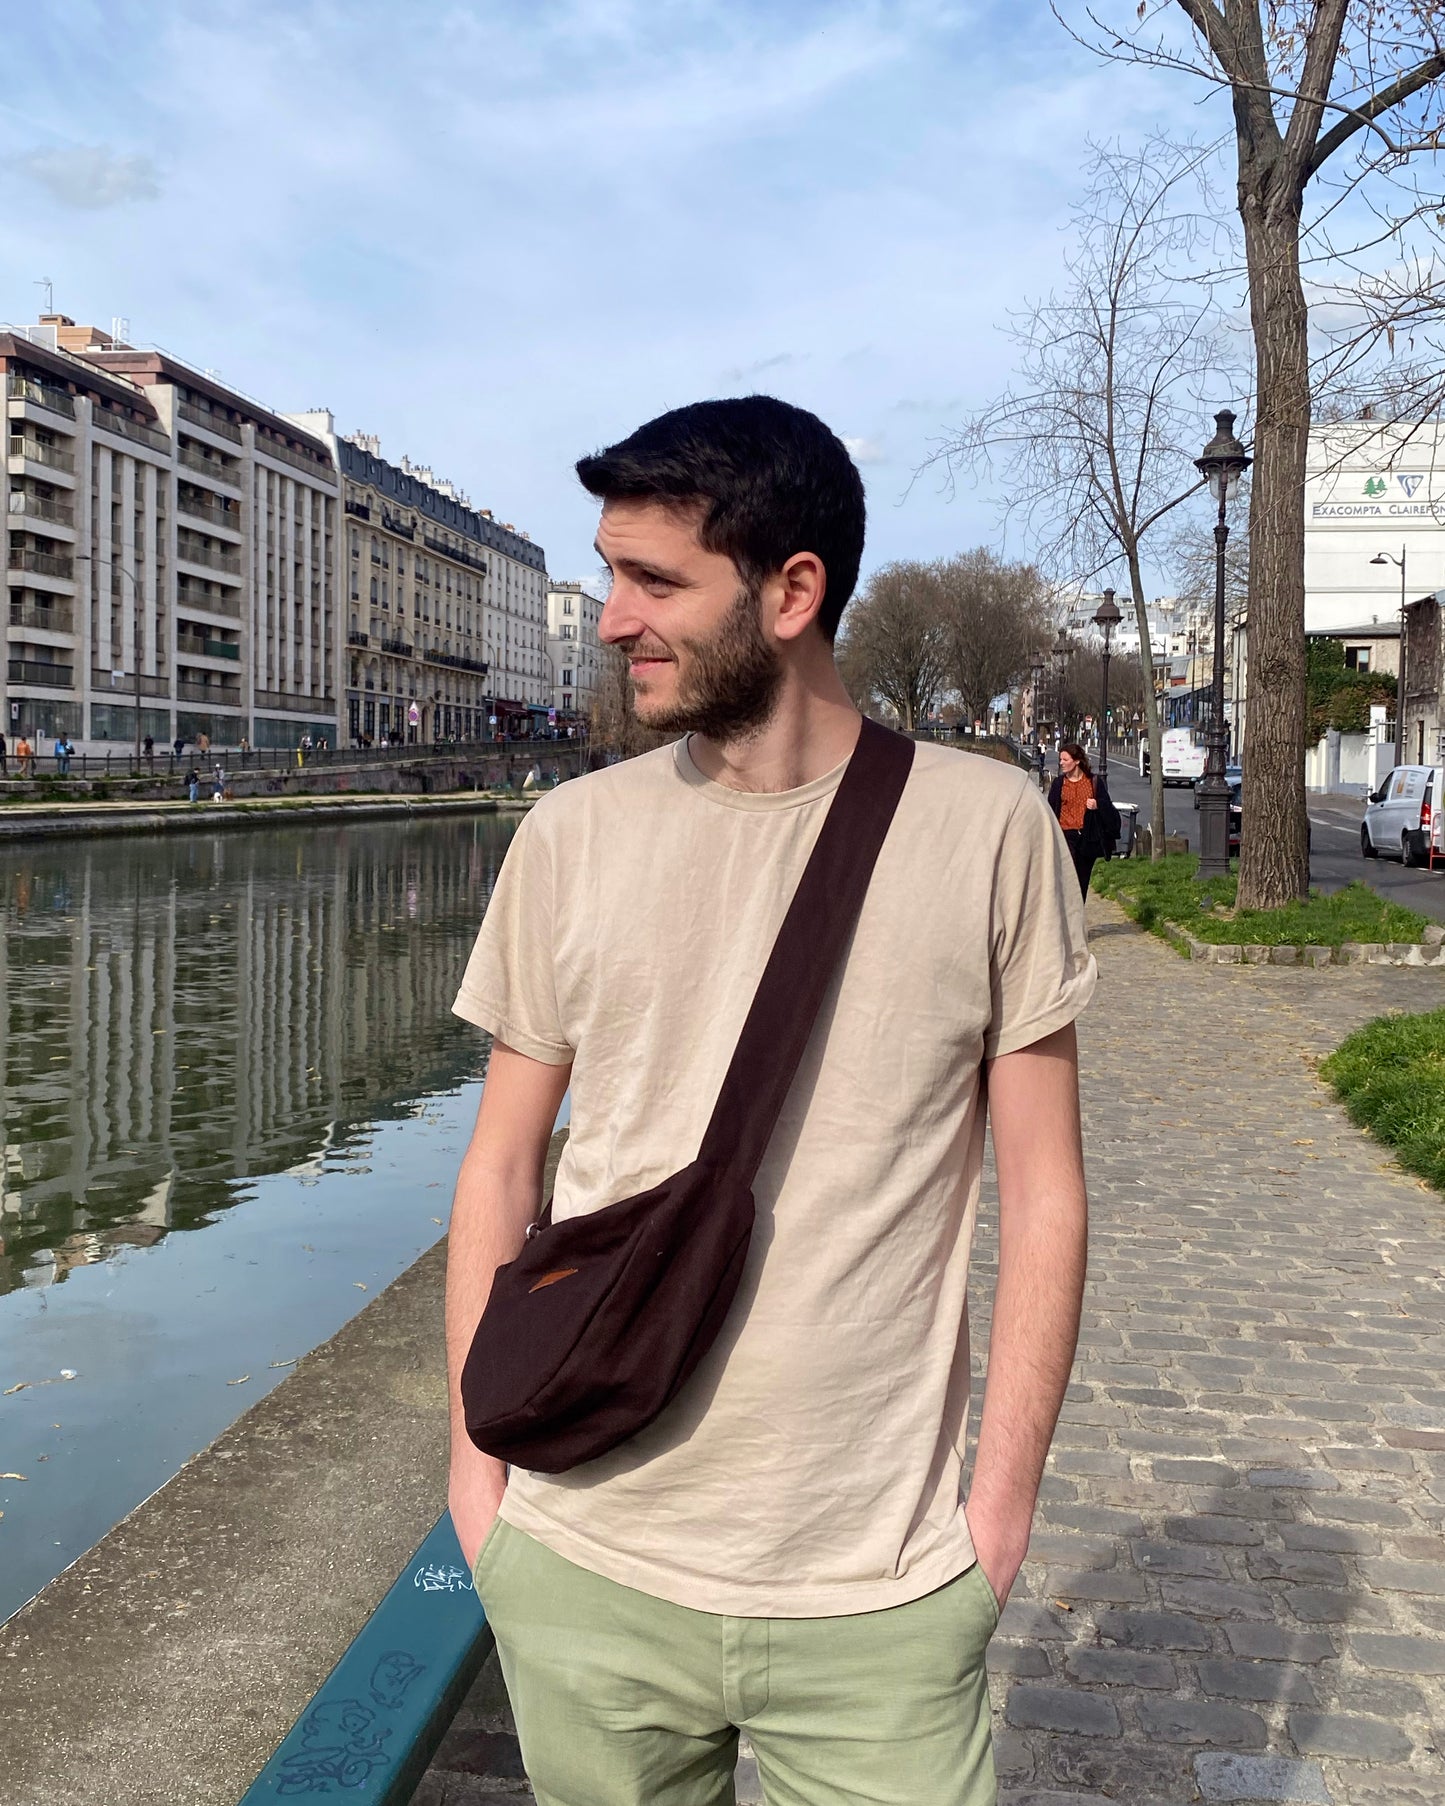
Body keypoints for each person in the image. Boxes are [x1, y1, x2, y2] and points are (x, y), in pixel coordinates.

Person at [447, 397, 1095, 1806]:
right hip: (586, 1563)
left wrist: (999, 1512)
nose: (614, 619)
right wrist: (475, 1488)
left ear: (792, 590)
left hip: (879, 1592)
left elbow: (1045, 1189)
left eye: (655, 579)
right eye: (609, 573)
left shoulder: (986, 828)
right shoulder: (569, 837)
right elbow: (501, 1167)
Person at [1048, 741, 1120, 899]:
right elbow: (1051, 809)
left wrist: (1097, 805)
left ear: (1077, 761)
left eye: (1065, 760)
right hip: (1065, 836)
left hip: (1087, 837)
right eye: (1060, 760)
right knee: (1067, 877)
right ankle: (1067, 914)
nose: (1061, 763)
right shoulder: (1059, 784)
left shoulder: (1093, 782)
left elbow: (1108, 807)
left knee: (1082, 879)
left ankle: (1077, 913)